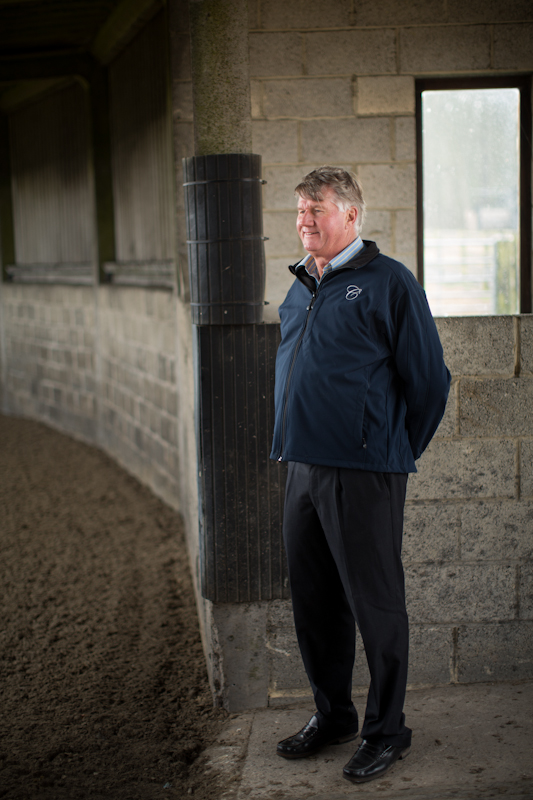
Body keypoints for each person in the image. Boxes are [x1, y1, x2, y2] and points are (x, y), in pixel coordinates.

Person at [270, 166, 450, 784]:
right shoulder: (301, 286)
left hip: (364, 471)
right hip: (301, 467)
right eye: (299, 210)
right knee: (316, 603)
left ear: (350, 214)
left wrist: (389, 450)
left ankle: (387, 730)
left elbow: (429, 382)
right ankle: (335, 715)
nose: (303, 220)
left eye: (315, 209)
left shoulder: (388, 282)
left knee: (375, 603)